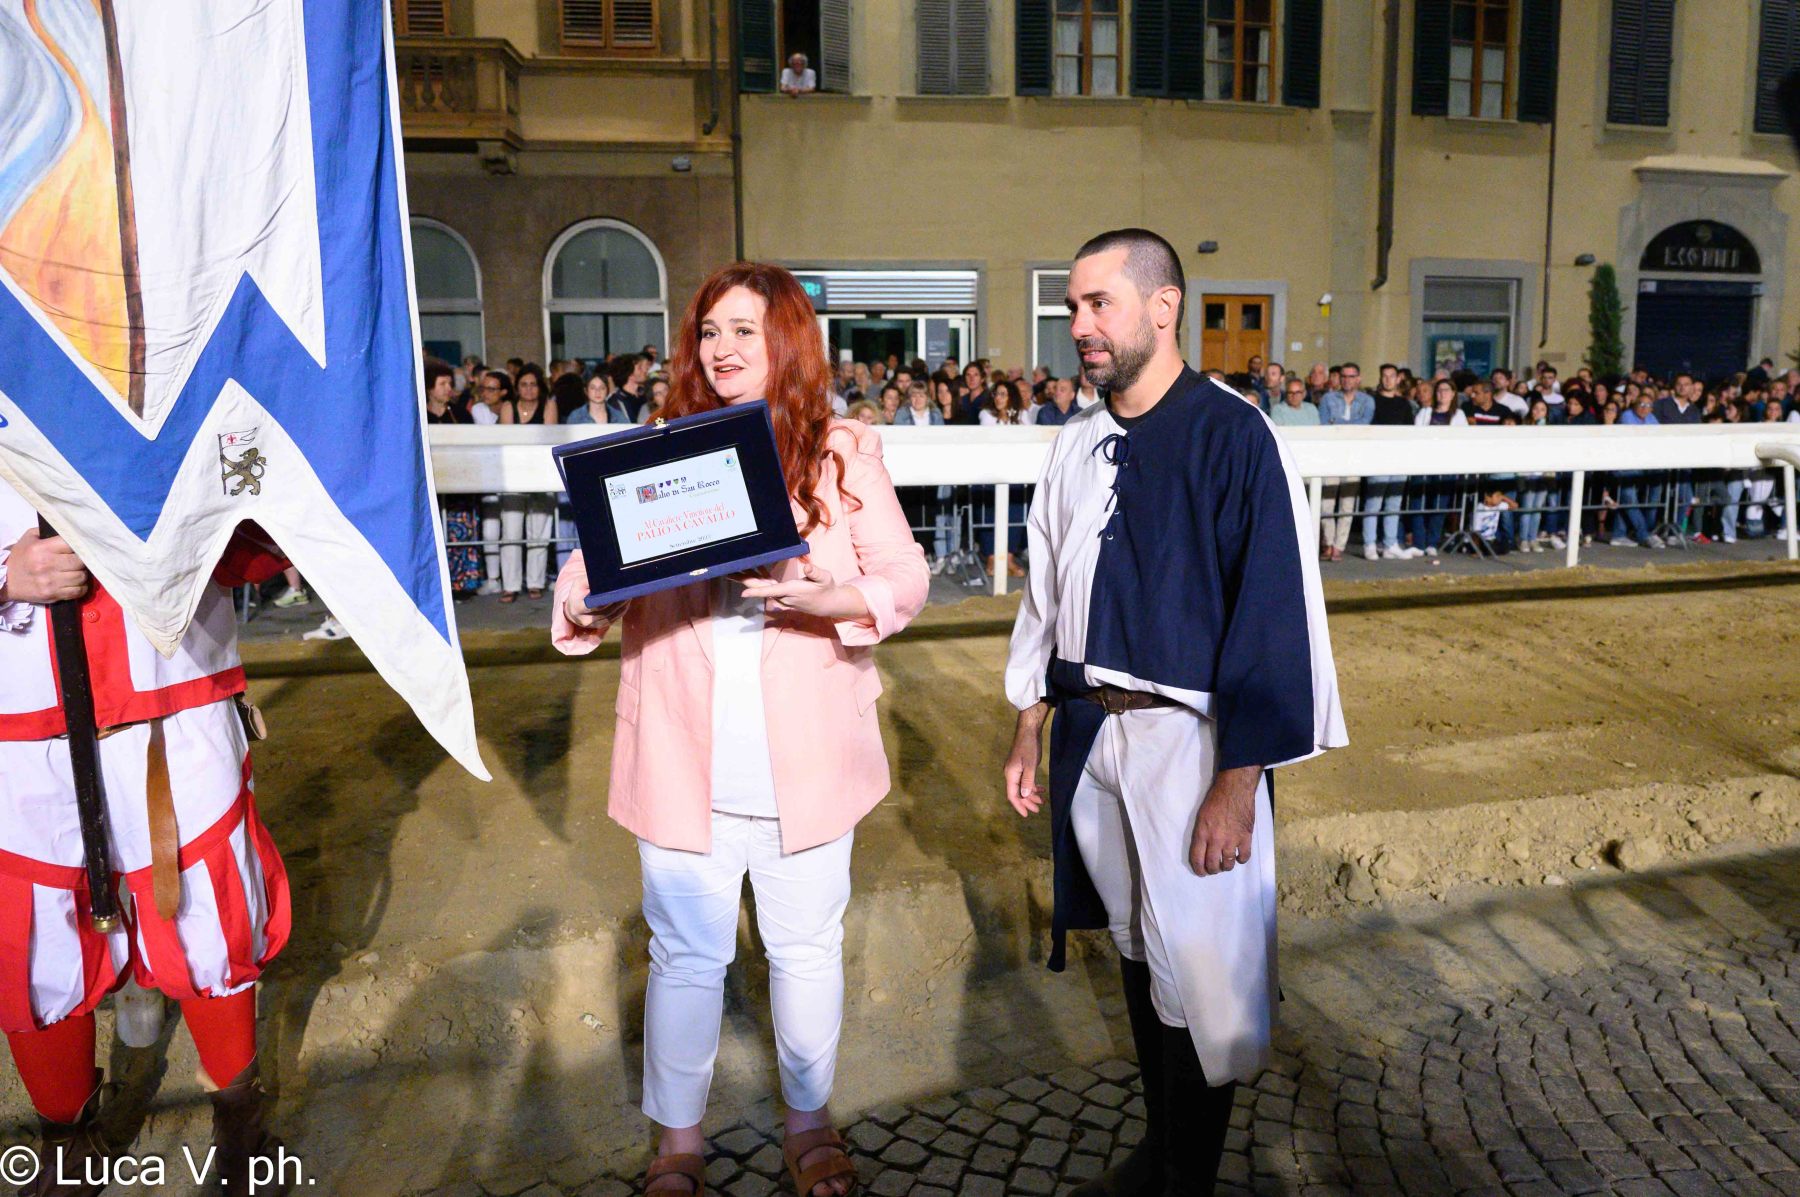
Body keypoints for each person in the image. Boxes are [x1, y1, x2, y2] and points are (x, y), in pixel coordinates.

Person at [552, 263, 928, 1197]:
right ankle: (677, 1143)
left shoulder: (840, 451)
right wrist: (591, 593)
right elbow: (584, 575)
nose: (721, 348)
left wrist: (832, 597)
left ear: (787, 340)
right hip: (683, 756)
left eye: (744, 330)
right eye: (709, 331)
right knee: (685, 957)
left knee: (805, 949)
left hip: (808, 758)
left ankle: (808, 1121)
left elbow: (905, 576)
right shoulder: (660, 450)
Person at [1004, 230, 1345, 1196]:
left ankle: (1186, 1177)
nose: (1079, 325)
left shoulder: (1236, 436)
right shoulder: (1076, 442)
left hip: (1191, 745)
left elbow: (1274, 614)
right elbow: (1045, 591)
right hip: (1092, 732)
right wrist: (1029, 717)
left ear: (1164, 308)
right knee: (1134, 940)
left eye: (1098, 304)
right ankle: (1163, 1156)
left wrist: (1239, 782)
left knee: (1202, 970)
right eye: (1073, 308)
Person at [0, 482, 294, 1195]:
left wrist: (201, 524)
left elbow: (267, 514)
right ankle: (68, 1144)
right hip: (19, 703)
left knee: (210, 912)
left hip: (176, 684)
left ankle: (241, 1128)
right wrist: (7, 576)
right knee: (35, 937)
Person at [426, 361, 483, 598]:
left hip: (459, 482)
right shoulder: (420, 415)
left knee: (460, 531)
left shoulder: (460, 414)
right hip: (431, 483)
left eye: (449, 383)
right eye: (442, 384)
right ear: (429, 388)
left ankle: (462, 584)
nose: (448, 388)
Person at [1316, 364, 1373, 562]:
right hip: (1331, 455)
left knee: (1347, 505)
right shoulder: (1328, 398)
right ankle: (1328, 542)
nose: (1347, 380)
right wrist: (1347, 426)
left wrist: (1337, 424)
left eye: (1351, 376)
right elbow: (1324, 424)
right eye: (1344, 376)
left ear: (1358, 378)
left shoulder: (1367, 401)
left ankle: (1339, 546)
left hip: (1354, 456)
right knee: (1326, 503)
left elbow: (1364, 425)